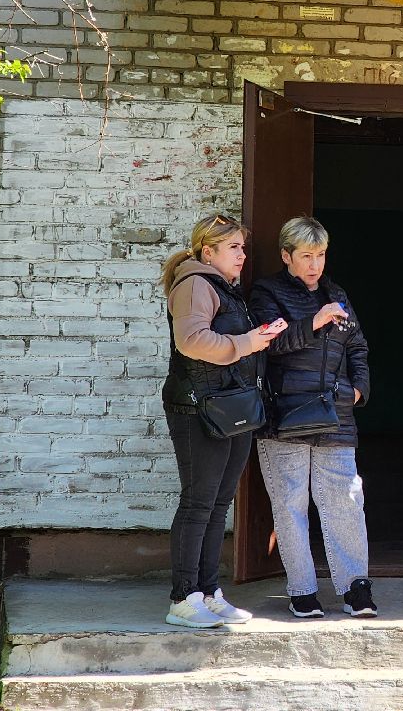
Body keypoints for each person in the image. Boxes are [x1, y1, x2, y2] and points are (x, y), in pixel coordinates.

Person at [249, 216, 376, 619]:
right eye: (305, 255)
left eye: (320, 255)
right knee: (290, 505)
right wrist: (314, 321)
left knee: (346, 500)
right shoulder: (267, 291)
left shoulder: (336, 292)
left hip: (335, 414)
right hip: (284, 414)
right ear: (287, 255)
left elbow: (358, 345)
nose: (314, 264)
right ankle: (302, 590)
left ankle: (356, 587)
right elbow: (269, 343)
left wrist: (358, 388)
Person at [161, 213, 283, 628]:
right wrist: (248, 342)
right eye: (233, 247)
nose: (242, 255)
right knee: (199, 503)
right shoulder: (195, 283)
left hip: (228, 409)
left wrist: (257, 339)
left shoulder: (226, 290)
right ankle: (183, 598)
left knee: (217, 505)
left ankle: (209, 593)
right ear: (207, 251)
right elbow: (192, 341)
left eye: (243, 247)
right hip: (198, 409)